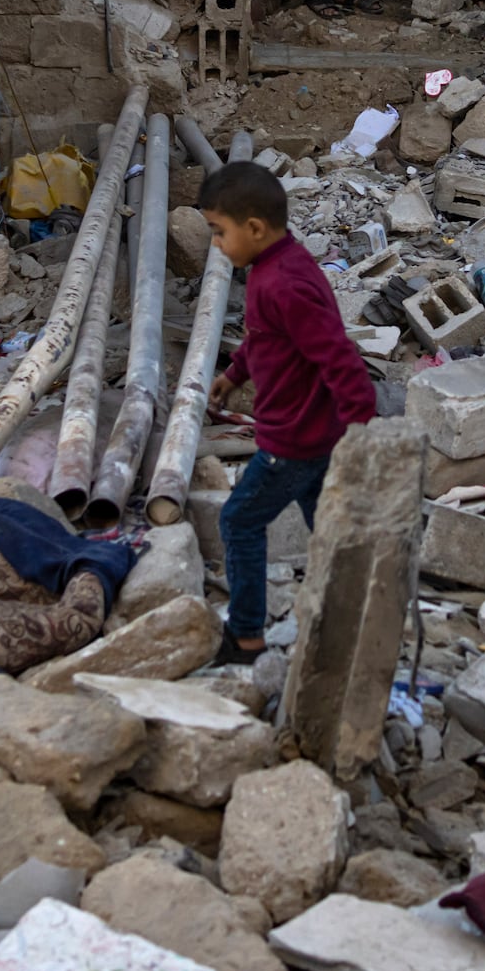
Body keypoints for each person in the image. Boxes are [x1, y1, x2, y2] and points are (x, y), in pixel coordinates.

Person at [200, 160, 378, 665]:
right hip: (314, 433)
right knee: (327, 529)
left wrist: (361, 426)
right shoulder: (279, 267)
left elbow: (337, 355)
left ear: (254, 228)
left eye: (219, 232)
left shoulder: (283, 284)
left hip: (295, 441)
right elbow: (263, 339)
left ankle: (248, 636)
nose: (216, 243)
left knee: (238, 522)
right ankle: (348, 618)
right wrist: (234, 375)